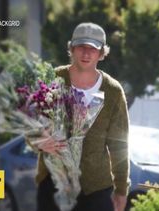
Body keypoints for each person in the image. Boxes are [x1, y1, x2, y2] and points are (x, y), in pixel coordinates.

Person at [30, 22, 130, 211]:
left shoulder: (113, 91)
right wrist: (38, 141)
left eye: (92, 49)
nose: (86, 53)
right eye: (81, 47)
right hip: (54, 183)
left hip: (96, 189)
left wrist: (121, 189)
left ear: (101, 53)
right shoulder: (52, 78)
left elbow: (119, 145)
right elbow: (31, 120)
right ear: (72, 49)